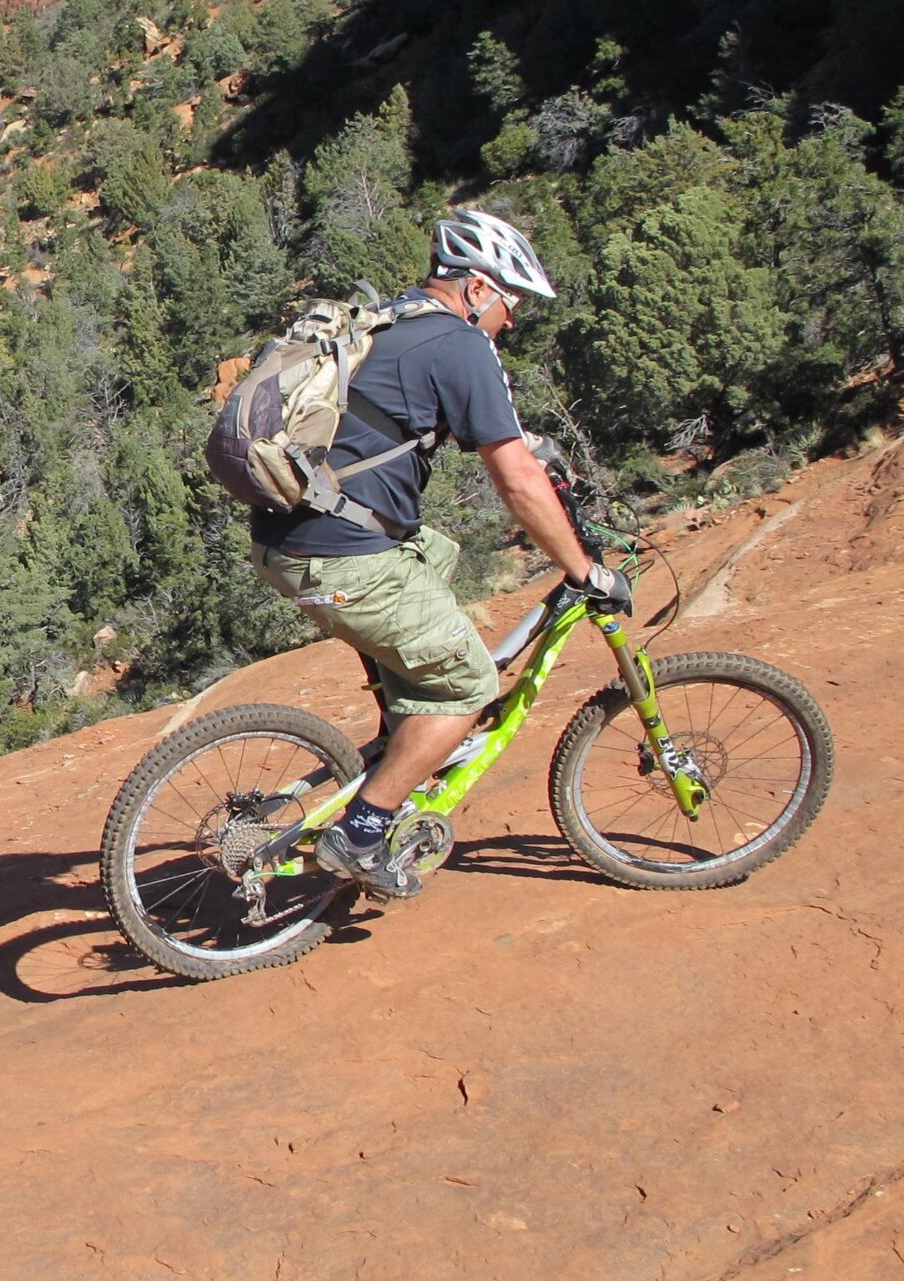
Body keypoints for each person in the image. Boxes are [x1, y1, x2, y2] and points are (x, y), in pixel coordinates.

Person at [251, 210, 632, 899]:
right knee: (470, 686)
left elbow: (469, 432)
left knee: (438, 551)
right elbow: (514, 477)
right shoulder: (460, 346)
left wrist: (542, 456)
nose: (511, 321)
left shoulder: (388, 323)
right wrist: (583, 569)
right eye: (510, 303)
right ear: (479, 289)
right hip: (347, 558)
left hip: (290, 540)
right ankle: (362, 831)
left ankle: (407, 723)